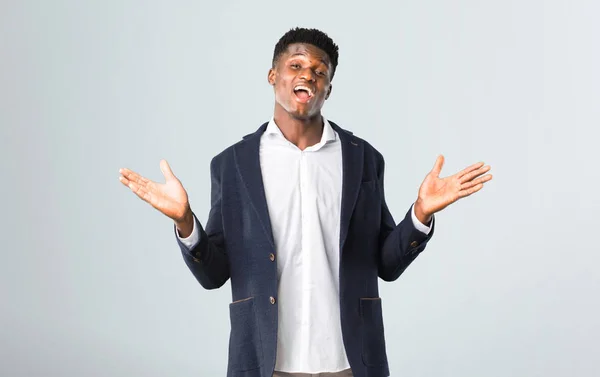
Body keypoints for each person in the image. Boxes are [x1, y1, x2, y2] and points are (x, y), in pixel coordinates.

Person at [119, 27, 492, 377]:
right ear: (272, 76)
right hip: (265, 361)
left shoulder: (363, 159)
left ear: (328, 88)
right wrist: (186, 222)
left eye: (319, 71)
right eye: (296, 65)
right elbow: (214, 274)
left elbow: (386, 263)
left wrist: (421, 214)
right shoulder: (232, 164)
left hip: (350, 360)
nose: (308, 75)